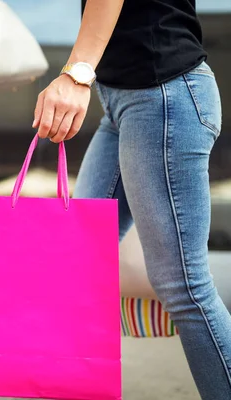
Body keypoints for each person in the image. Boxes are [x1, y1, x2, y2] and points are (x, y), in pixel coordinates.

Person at [33, 0, 230, 398]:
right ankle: (61, 386)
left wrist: (77, 73)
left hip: (164, 95)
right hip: (122, 104)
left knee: (183, 285)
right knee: (79, 263)